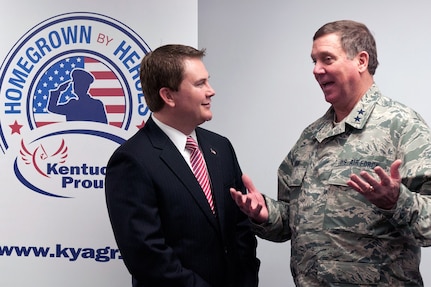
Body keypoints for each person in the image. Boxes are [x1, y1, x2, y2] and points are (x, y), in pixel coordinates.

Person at [230, 20, 431, 286]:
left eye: (327, 59)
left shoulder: (402, 126)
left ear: (361, 61)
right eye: (313, 61)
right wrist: (265, 213)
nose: (316, 70)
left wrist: (397, 201)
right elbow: (292, 220)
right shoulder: (311, 136)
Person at [105, 44, 259, 287]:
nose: (212, 91)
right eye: (200, 84)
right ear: (168, 96)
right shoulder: (132, 160)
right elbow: (147, 256)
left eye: (208, 81)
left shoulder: (220, 147)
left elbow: (240, 228)